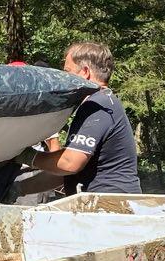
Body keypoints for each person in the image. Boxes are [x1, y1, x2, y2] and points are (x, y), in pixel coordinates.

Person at [32, 41, 140, 195]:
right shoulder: (100, 102)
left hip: (109, 205)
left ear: (84, 72)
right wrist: (19, 189)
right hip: (104, 202)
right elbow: (65, 171)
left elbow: (70, 163)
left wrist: (28, 157)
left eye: (68, 72)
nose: (64, 79)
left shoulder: (98, 105)